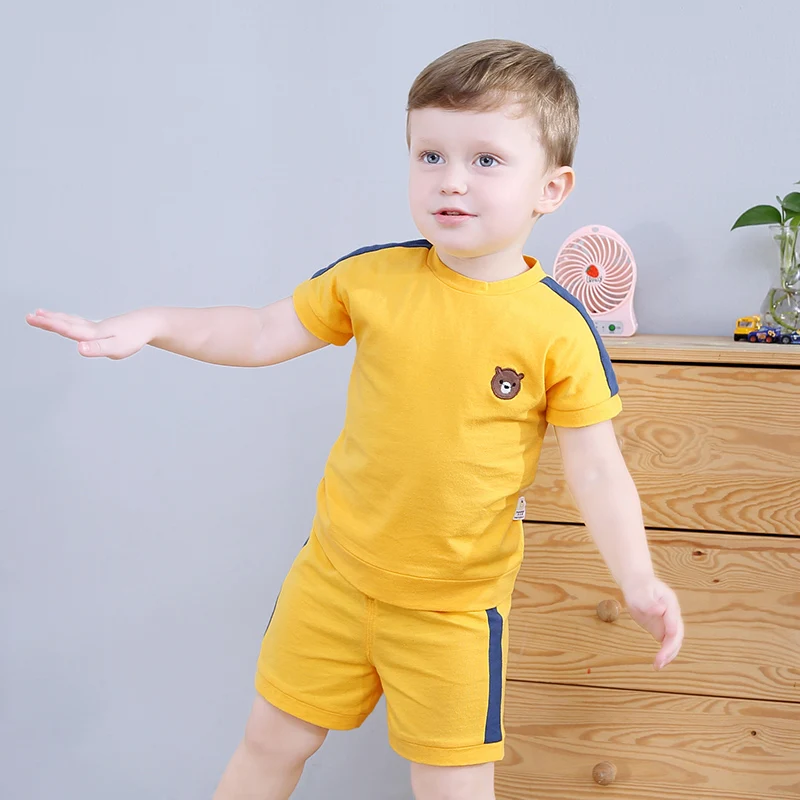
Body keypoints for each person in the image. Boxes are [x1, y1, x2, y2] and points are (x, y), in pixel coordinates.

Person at [26, 38, 684, 800]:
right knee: (269, 743)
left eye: (486, 159)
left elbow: (596, 468)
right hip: (334, 581)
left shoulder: (558, 331)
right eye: (430, 155)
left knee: (452, 786)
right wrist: (154, 324)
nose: (452, 180)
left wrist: (637, 577)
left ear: (552, 188)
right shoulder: (372, 278)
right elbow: (261, 331)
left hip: (452, 611)